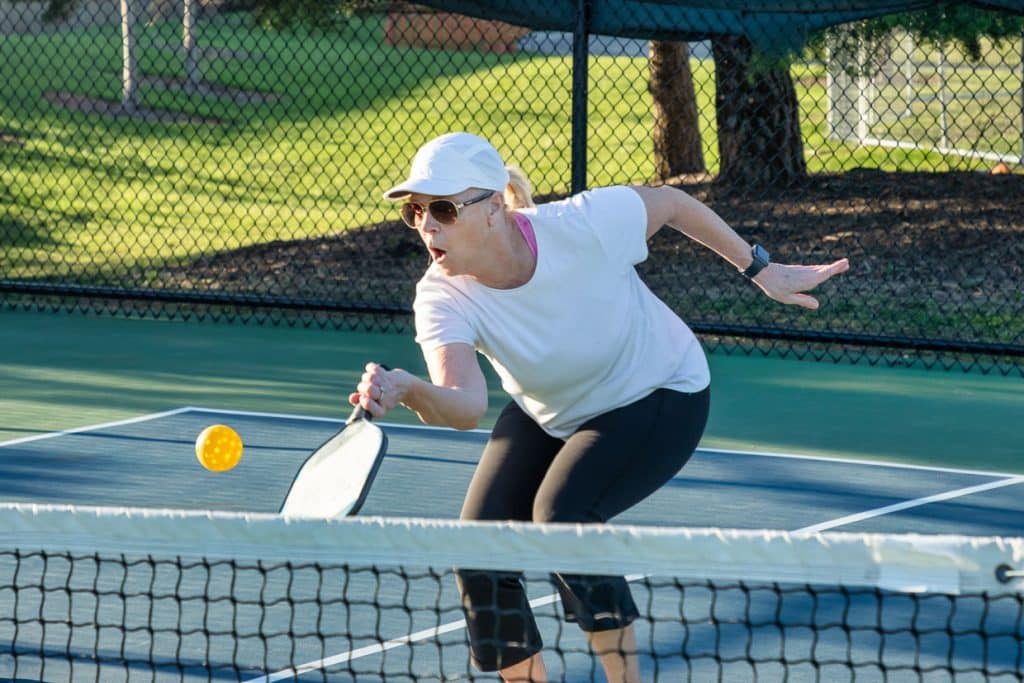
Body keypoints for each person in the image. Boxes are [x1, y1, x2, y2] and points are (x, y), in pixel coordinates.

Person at [348, 132, 849, 683]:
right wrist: (408, 388)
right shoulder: (442, 295)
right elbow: (466, 406)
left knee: (563, 519)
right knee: (478, 552)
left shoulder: (583, 224)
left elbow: (673, 202)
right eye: (416, 211)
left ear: (493, 208)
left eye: (443, 208)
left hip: (659, 391)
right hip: (552, 406)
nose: (426, 224)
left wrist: (762, 271)